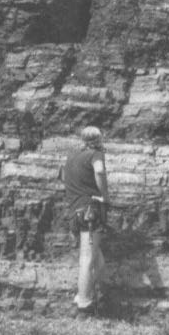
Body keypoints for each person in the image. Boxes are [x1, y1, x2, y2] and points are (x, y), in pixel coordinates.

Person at [64, 126, 109, 316]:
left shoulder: (72, 156)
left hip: (75, 212)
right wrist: (105, 196)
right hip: (90, 211)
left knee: (97, 259)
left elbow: (62, 177)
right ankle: (83, 303)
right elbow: (99, 172)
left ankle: (96, 294)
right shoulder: (96, 154)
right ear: (99, 139)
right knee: (87, 259)